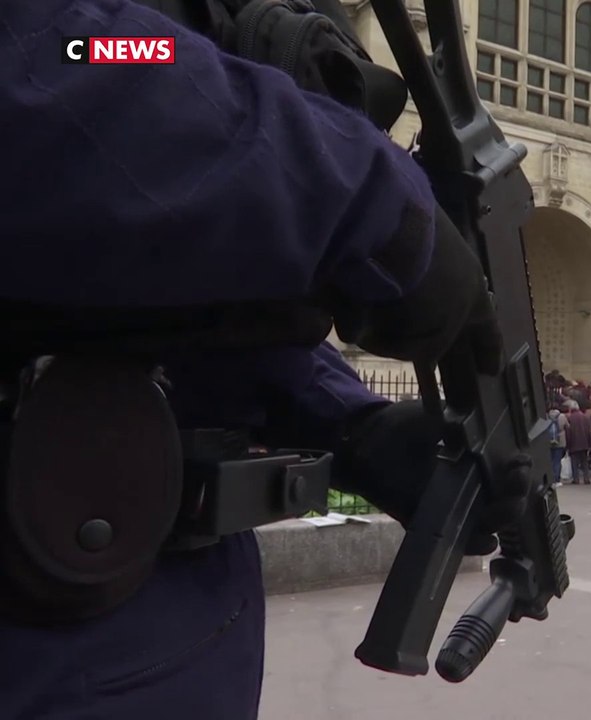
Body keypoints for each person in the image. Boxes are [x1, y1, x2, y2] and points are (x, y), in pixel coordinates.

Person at [0, 1, 507, 717]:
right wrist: (363, 198)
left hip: (146, 605)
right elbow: (74, 59)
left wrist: (348, 421)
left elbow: (170, 292)